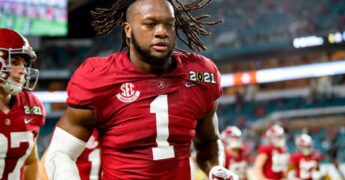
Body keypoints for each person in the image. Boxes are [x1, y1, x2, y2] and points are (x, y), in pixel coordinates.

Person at [45, 0, 238, 179]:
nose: (162, 32)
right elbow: (61, 152)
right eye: (150, 24)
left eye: (169, 24)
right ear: (128, 30)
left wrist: (215, 168)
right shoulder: (99, 77)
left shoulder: (200, 74)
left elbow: (208, 143)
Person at [0, 28, 44, 180]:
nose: (23, 71)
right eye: (14, 62)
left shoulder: (31, 105)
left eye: (24, 64)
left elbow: (31, 161)